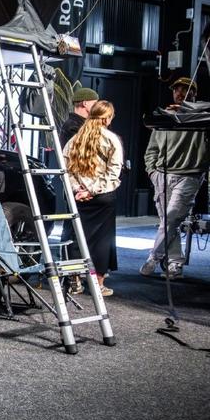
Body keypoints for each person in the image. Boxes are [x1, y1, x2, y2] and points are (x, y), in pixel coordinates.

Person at [140, 77, 209, 279]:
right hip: (162, 175)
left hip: (189, 176)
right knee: (168, 223)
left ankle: (154, 257)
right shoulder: (165, 117)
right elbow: (152, 149)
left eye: (185, 90)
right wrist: (152, 171)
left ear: (194, 94)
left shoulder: (202, 118)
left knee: (170, 219)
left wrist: (188, 110)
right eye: (177, 90)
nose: (180, 93)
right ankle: (175, 264)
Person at [63, 100, 123, 296]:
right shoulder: (112, 139)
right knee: (102, 241)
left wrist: (78, 189)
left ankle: (75, 281)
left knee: (77, 237)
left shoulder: (76, 139)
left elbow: (66, 170)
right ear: (107, 118)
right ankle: (98, 285)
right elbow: (113, 173)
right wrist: (93, 191)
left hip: (79, 197)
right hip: (102, 198)